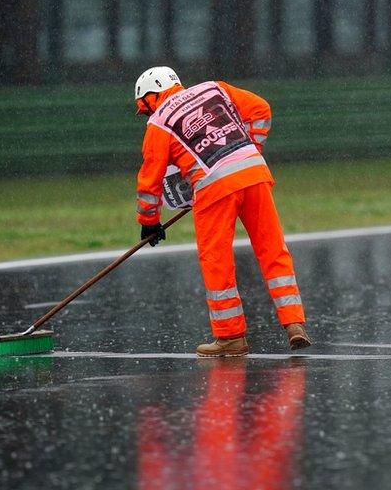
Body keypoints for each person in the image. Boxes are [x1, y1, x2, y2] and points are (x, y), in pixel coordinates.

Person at [133, 66, 311, 355]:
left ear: (151, 96)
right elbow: (261, 110)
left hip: (214, 188)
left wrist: (150, 222)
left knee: (217, 260)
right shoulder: (214, 88)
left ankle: (231, 337)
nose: (146, 113)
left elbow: (149, 181)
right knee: (273, 250)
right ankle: (294, 324)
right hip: (253, 172)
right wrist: (249, 148)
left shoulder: (159, 123)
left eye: (144, 106)